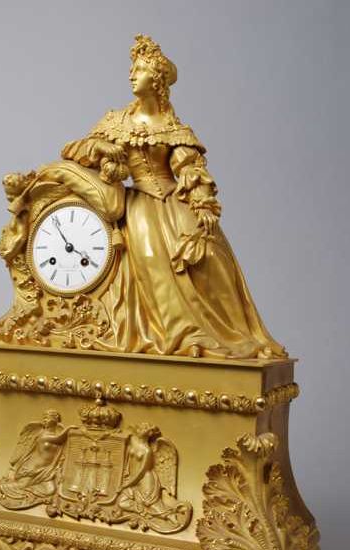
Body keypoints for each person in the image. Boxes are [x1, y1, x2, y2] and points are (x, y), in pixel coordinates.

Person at [61, 35, 286, 359]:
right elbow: (76, 150)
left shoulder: (172, 127)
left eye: (139, 70)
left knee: (209, 256)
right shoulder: (115, 121)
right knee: (152, 258)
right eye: (132, 69)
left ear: (156, 80)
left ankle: (231, 334)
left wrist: (203, 204)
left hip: (174, 201)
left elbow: (190, 167)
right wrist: (103, 147)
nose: (131, 75)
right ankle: (184, 336)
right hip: (138, 206)